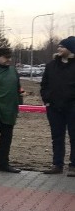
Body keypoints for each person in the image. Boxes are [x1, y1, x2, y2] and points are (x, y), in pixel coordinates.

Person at [39, 36, 75, 176]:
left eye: (62, 46)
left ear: (71, 49)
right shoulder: (51, 65)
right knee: (57, 137)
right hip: (54, 107)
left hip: (73, 107)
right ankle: (57, 164)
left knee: (74, 136)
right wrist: (47, 99)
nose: (59, 48)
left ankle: (73, 165)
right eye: (59, 46)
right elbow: (44, 85)